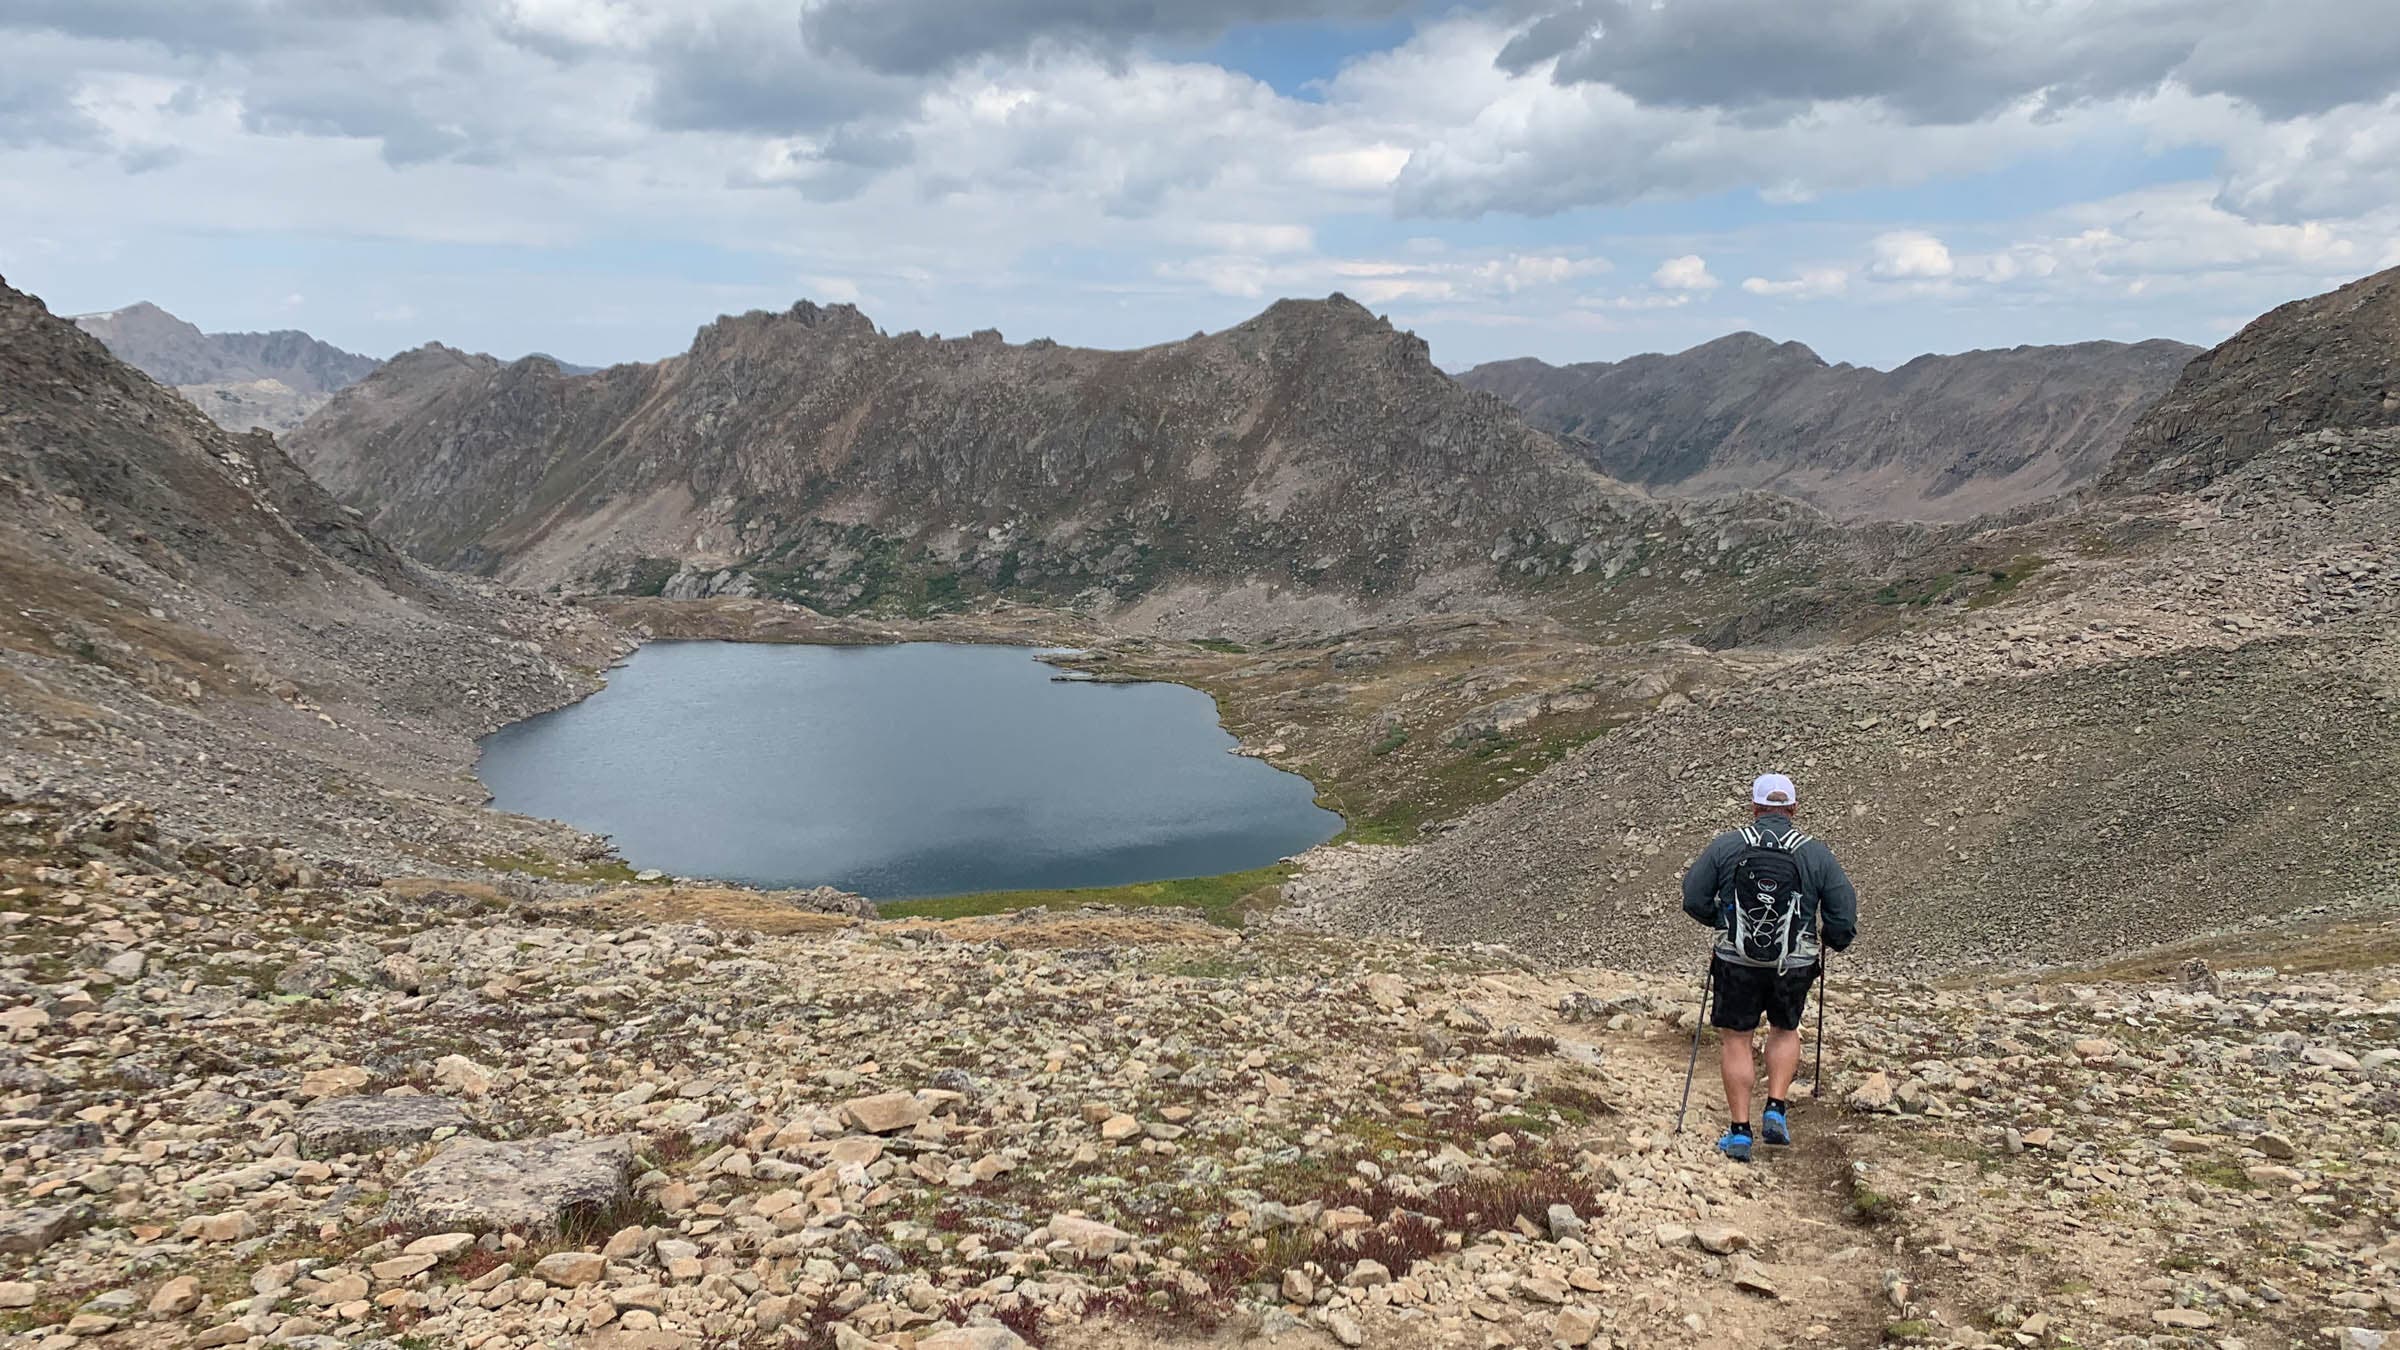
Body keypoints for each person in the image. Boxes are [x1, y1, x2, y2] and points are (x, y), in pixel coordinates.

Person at [1680, 772, 1858, 1161]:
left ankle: (1740, 1132)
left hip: (1736, 959)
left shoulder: (1727, 846)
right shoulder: (1815, 853)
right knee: (1784, 1029)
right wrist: (1833, 940)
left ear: (1755, 807)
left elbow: (1693, 896)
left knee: (1737, 1038)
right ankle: (1776, 1107)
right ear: (1793, 808)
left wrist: (1722, 921)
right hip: (1794, 962)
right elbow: (1842, 914)